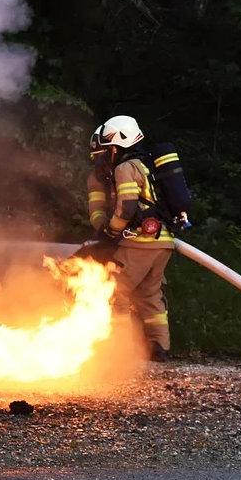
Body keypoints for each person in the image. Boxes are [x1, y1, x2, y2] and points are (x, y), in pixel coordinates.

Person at [86, 115, 173, 362]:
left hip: (139, 241)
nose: (103, 157)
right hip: (163, 242)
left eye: (106, 150)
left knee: (115, 290)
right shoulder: (146, 165)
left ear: (117, 145)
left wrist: (110, 231)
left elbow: (127, 208)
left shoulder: (125, 168)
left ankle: (120, 350)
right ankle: (159, 347)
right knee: (150, 294)